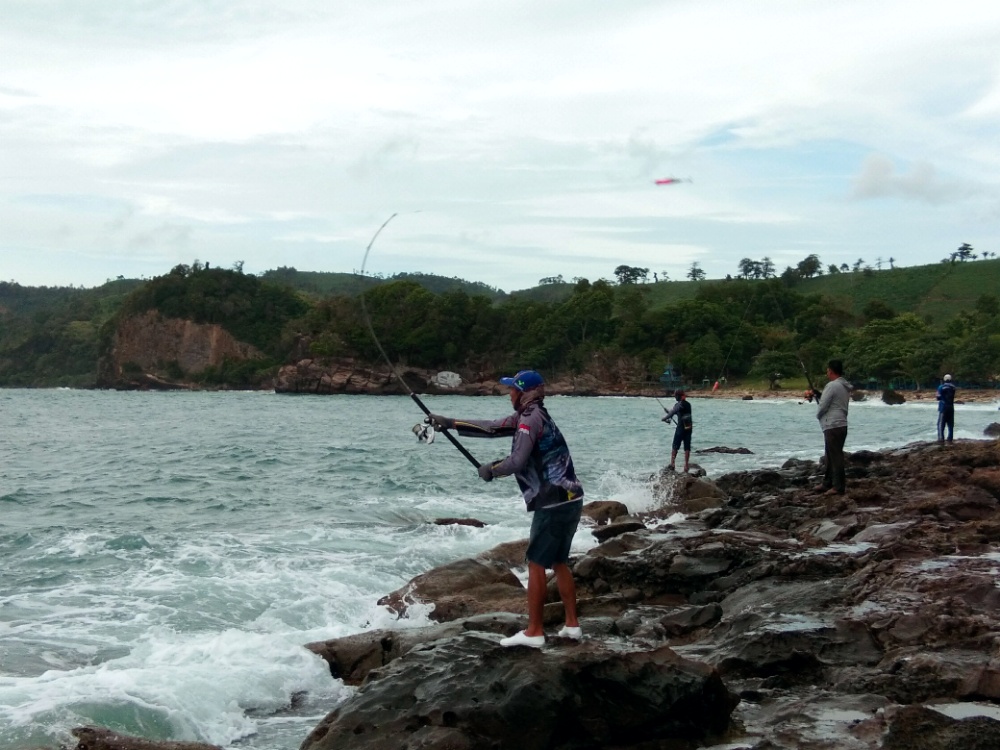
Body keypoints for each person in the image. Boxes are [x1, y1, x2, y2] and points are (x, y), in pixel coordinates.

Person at [425, 369, 584, 648]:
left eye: (513, 389)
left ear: (524, 393)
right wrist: (448, 422)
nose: (509, 393)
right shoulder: (534, 415)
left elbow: (517, 461)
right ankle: (572, 626)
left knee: (536, 563)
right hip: (571, 497)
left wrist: (491, 470)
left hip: (553, 501)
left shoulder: (529, 419)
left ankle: (534, 632)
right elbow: (492, 427)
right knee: (559, 563)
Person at [806, 359, 852, 496]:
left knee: (835, 456)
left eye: (827, 370)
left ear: (831, 371)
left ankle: (838, 487)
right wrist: (818, 394)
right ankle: (827, 483)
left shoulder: (832, 386)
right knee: (830, 455)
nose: (827, 372)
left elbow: (823, 406)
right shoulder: (843, 386)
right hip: (841, 424)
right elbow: (833, 401)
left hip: (832, 425)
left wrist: (818, 415)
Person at [661, 389, 693, 472]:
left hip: (680, 429)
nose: (675, 397)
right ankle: (686, 465)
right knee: (687, 447)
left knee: (675, 446)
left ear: (679, 396)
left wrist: (664, 418)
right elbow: (675, 412)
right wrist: (668, 411)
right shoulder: (688, 404)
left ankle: (672, 464)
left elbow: (673, 412)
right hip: (688, 428)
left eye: (676, 396)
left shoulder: (679, 404)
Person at [937, 374, 956, 442]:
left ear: (944, 379)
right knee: (950, 424)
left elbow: (938, 397)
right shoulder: (953, 387)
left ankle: (941, 438)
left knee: (941, 424)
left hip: (943, 407)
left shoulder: (941, 387)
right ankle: (950, 438)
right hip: (951, 407)